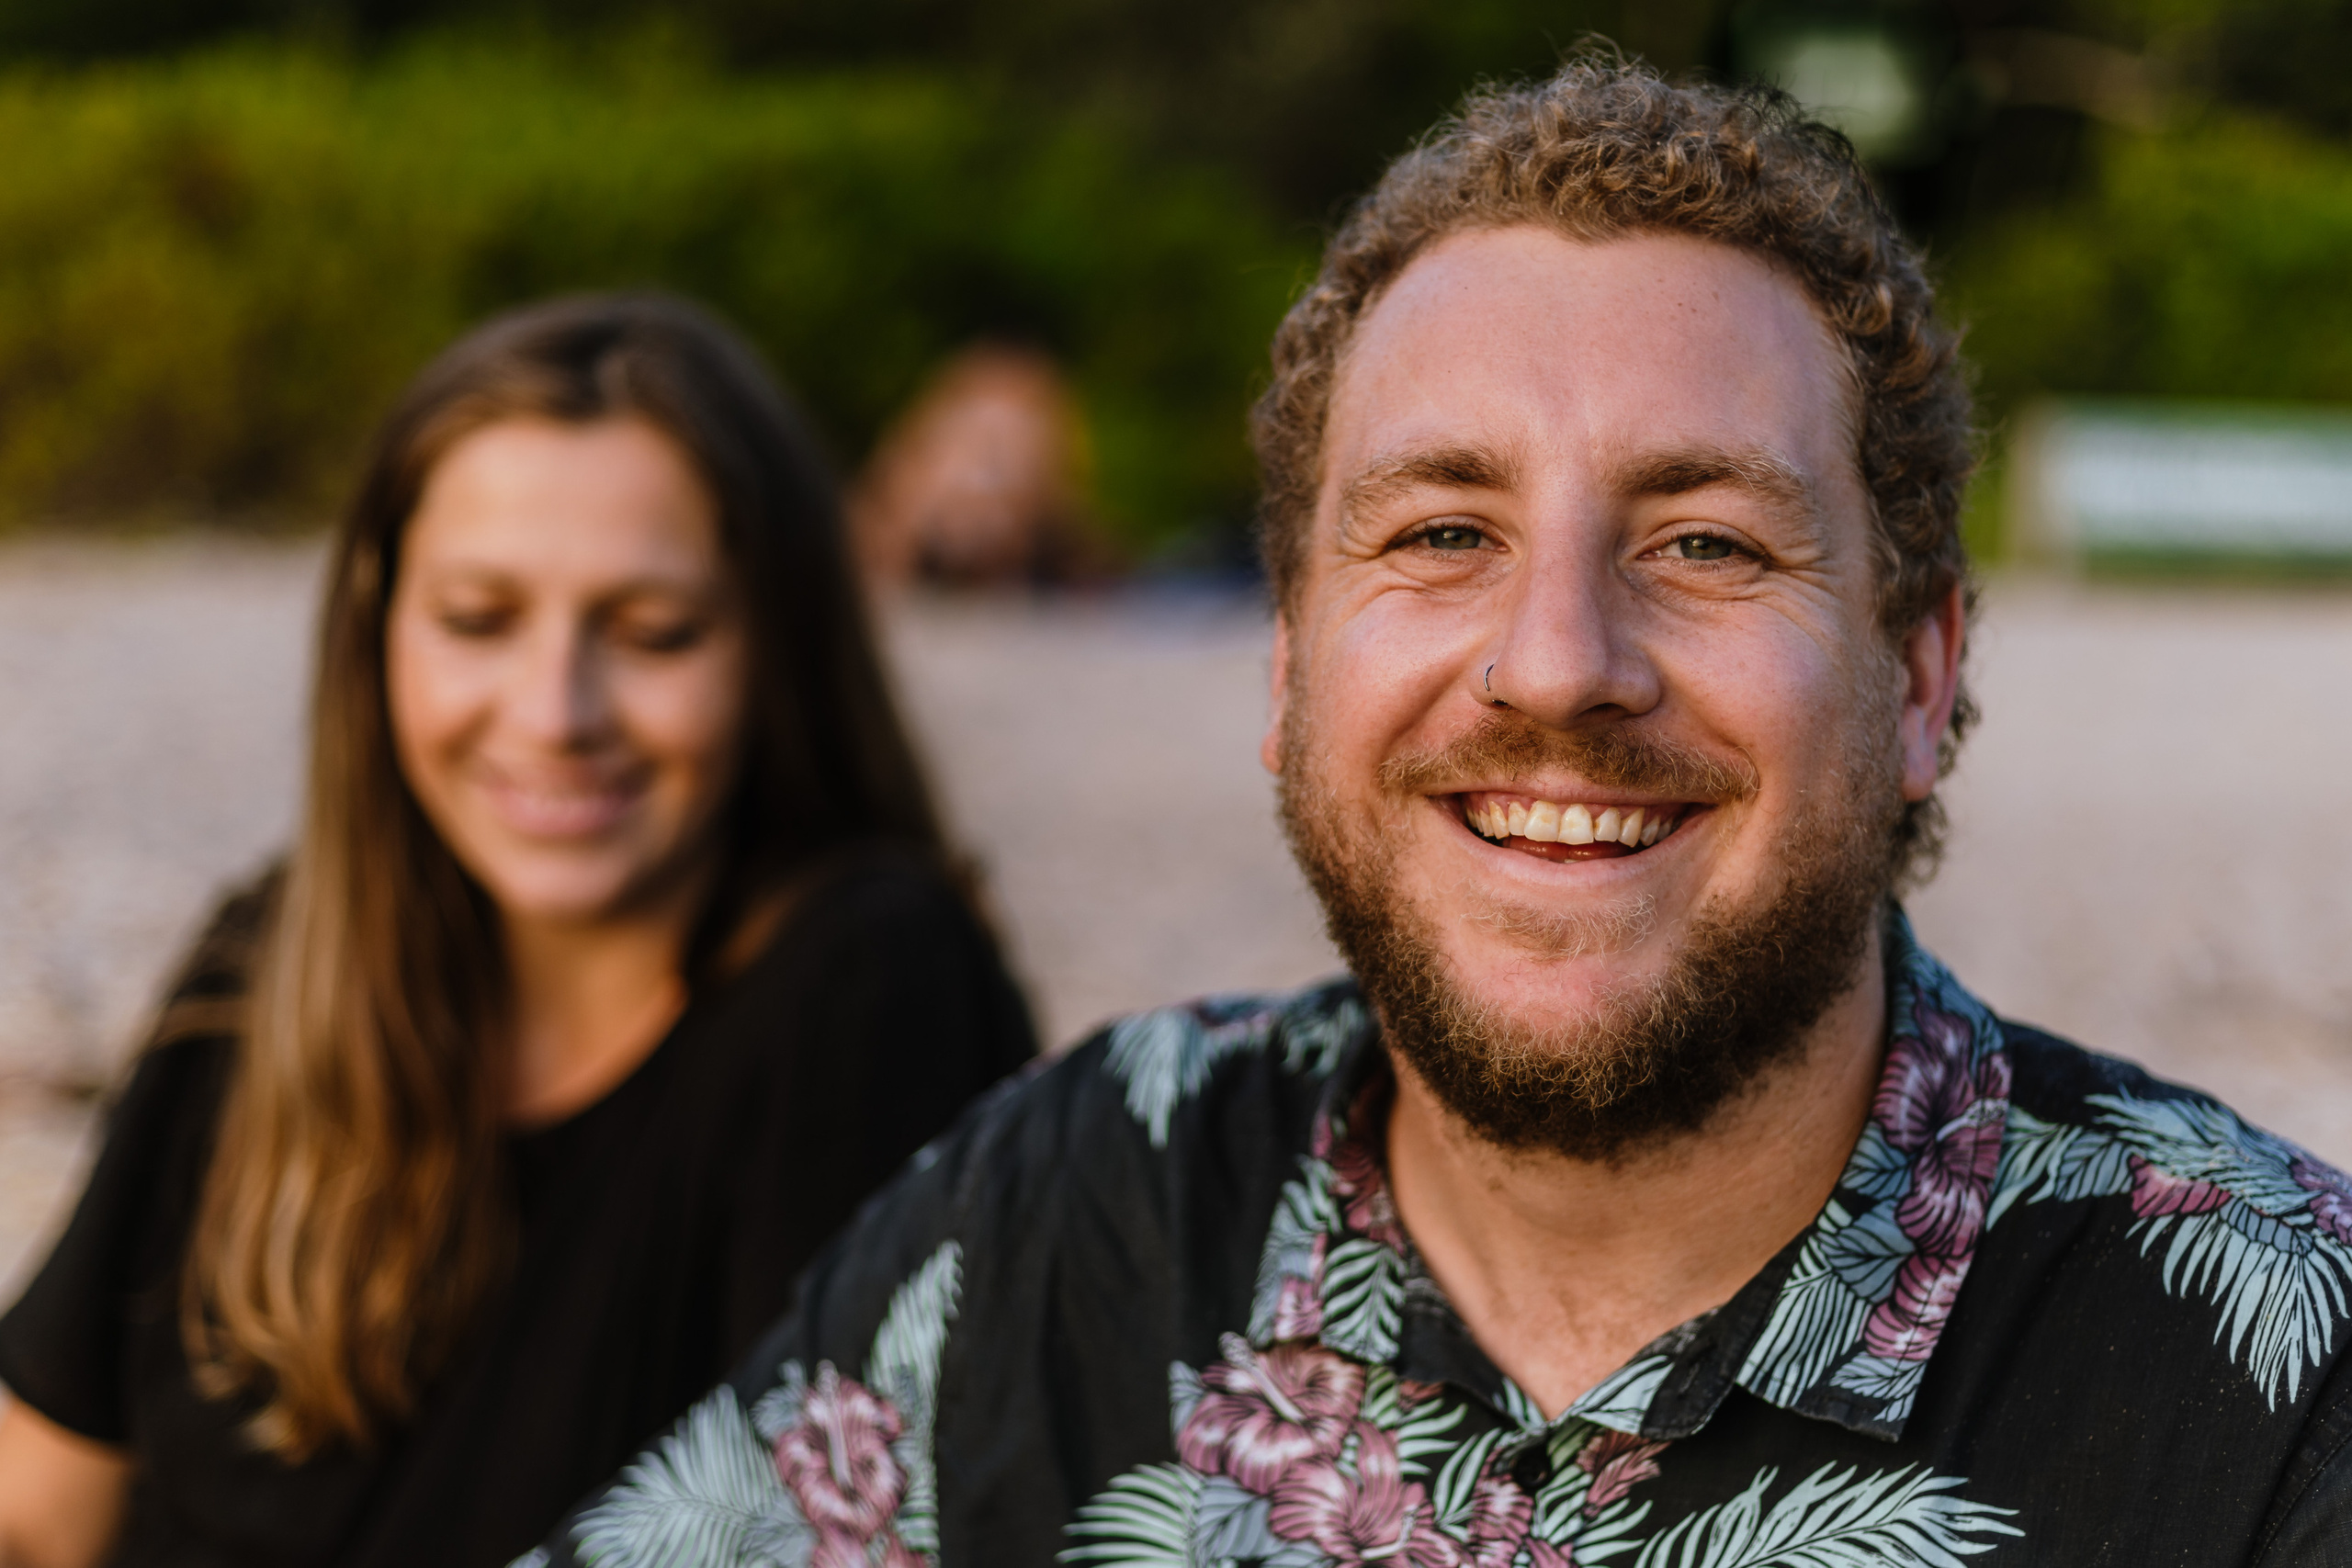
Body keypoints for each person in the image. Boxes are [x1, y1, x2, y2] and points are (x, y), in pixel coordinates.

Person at [530, 62, 2352, 1568]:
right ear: (1286, 665)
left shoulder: (2276, 1388)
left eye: (1704, 541)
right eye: (1438, 534)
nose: (1554, 664)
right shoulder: (1075, 1207)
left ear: (1920, 676)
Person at [0, 293, 1036, 1568]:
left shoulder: (870, 983)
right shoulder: (270, 961)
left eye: (654, 632)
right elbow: (40, 1506)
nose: (555, 711)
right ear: (376, 628)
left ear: (776, 648)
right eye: (478, 620)